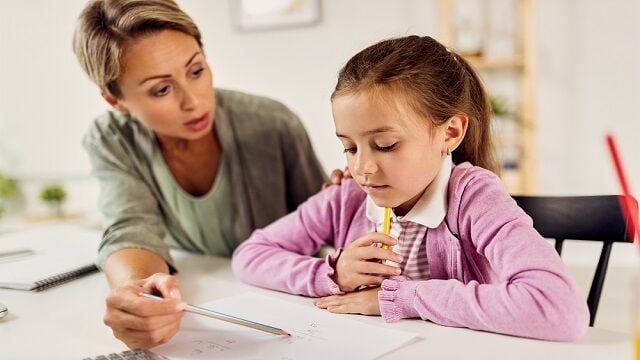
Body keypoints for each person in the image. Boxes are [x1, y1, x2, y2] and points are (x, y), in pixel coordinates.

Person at [232, 35, 590, 341]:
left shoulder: (474, 198)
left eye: (386, 144)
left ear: (450, 132)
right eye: (350, 147)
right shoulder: (348, 195)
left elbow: (560, 309)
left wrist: (401, 298)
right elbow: (249, 256)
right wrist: (333, 274)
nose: (362, 168)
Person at [73, 0, 332, 349]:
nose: (193, 101)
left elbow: (328, 229)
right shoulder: (111, 139)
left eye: (196, 71)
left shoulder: (272, 124)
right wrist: (137, 292)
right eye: (161, 89)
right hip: (211, 305)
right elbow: (128, 227)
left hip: (293, 309)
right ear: (115, 101)